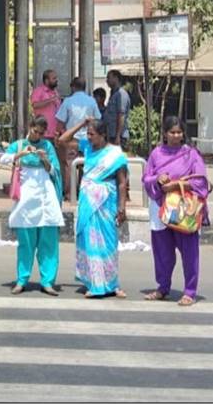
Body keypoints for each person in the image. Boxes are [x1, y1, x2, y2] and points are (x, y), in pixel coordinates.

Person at [142, 116, 210, 306]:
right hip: (161, 209)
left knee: (189, 252)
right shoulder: (156, 154)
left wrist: (177, 185)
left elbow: (201, 181)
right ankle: (163, 287)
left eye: (179, 132)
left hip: (185, 209)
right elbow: (146, 178)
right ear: (164, 133)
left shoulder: (191, 154)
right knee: (162, 252)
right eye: (172, 132)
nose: (175, 135)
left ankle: (190, 291)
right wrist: (158, 179)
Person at [59, 118, 129, 298]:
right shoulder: (87, 148)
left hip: (107, 201)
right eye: (87, 134)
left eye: (92, 134)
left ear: (103, 135)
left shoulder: (115, 154)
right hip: (88, 201)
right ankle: (93, 281)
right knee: (89, 241)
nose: (89, 137)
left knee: (108, 243)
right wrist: (82, 123)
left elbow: (122, 183)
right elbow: (62, 140)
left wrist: (122, 208)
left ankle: (111, 283)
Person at [0, 115, 64, 295]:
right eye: (36, 132)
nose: (38, 136)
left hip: (45, 199)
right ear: (30, 127)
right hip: (25, 200)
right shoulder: (20, 144)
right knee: (26, 242)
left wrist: (45, 159)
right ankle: (22, 279)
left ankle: (48, 281)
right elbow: (2, 159)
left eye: (42, 134)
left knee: (49, 242)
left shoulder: (47, 146)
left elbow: (54, 171)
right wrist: (20, 154)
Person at [55, 77, 102, 197]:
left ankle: (70, 194)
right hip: (88, 139)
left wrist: (60, 134)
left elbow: (60, 122)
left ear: (73, 87)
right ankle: (83, 192)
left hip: (72, 139)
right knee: (86, 166)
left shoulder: (68, 101)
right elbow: (98, 118)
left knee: (70, 165)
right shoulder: (91, 101)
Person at [30, 70, 62, 149]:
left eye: (56, 78)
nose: (56, 80)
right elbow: (35, 105)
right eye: (54, 78)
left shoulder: (55, 92)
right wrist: (50, 100)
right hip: (42, 133)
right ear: (47, 80)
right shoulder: (39, 91)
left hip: (55, 134)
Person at [102, 70, 131, 150]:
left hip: (118, 136)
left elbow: (121, 115)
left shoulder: (121, 94)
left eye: (109, 77)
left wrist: (118, 136)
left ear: (116, 78)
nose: (107, 80)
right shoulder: (113, 94)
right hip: (110, 134)